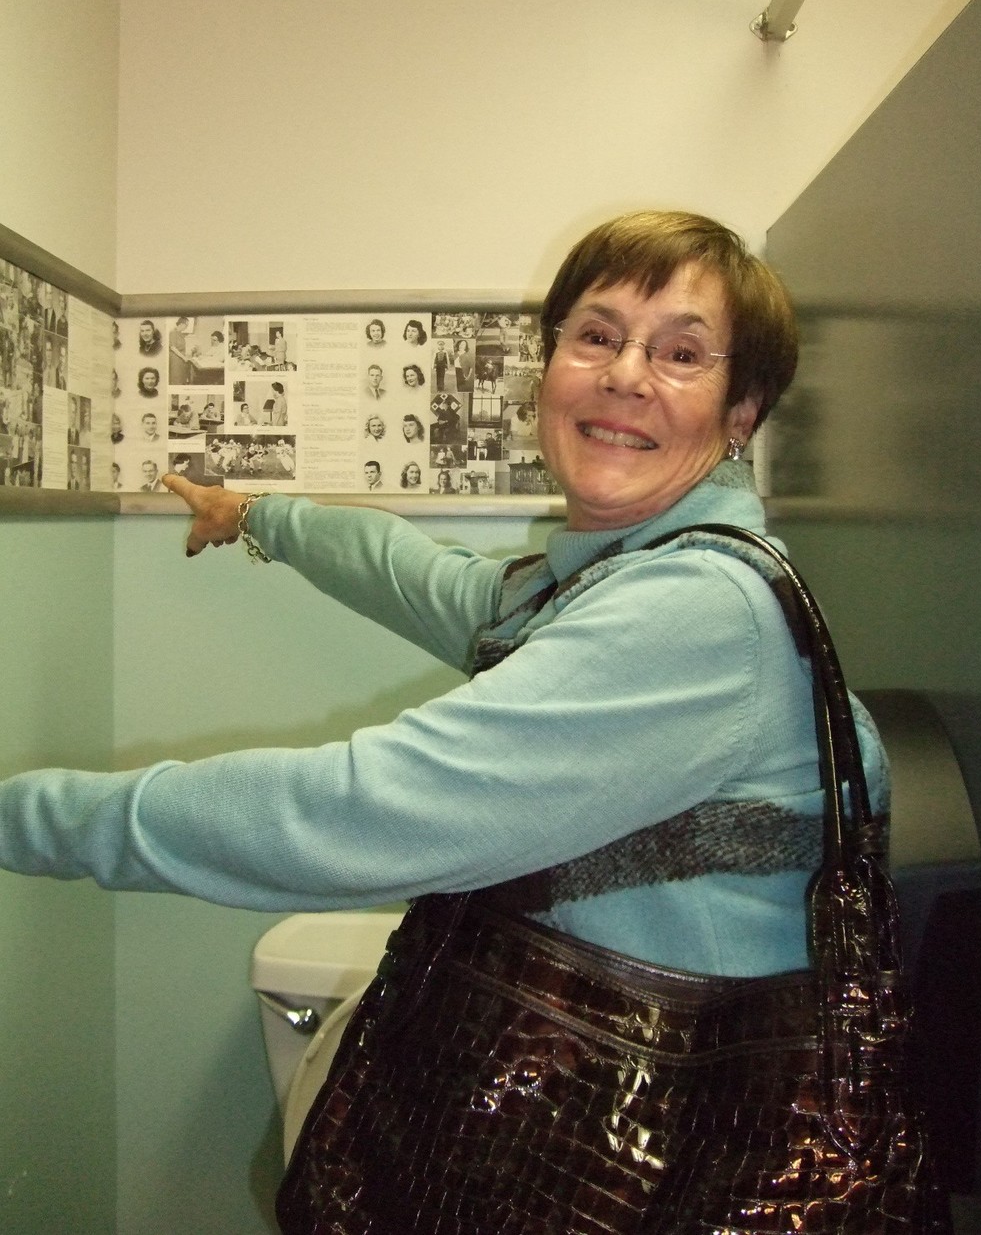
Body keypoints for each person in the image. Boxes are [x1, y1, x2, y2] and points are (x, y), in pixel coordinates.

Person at [0, 211, 889, 1227]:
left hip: (651, 1155)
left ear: (743, 410)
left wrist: (25, 818)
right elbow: (418, 576)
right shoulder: (595, 581)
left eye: (681, 354)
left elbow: (360, 812)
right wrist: (255, 517)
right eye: (596, 335)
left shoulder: (697, 611)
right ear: (550, 364)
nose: (624, 375)